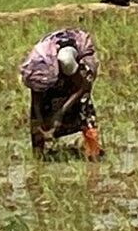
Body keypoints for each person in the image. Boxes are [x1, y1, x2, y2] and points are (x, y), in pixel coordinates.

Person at [20, 28, 101, 159]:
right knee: (37, 121)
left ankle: (93, 153)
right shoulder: (38, 71)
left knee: (84, 111)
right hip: (51, 82)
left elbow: (83, 87)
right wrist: (41, 122)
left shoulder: (72, 65)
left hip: (73, 84)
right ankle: (38, 159)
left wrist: (60, 113)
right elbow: (36, 99)